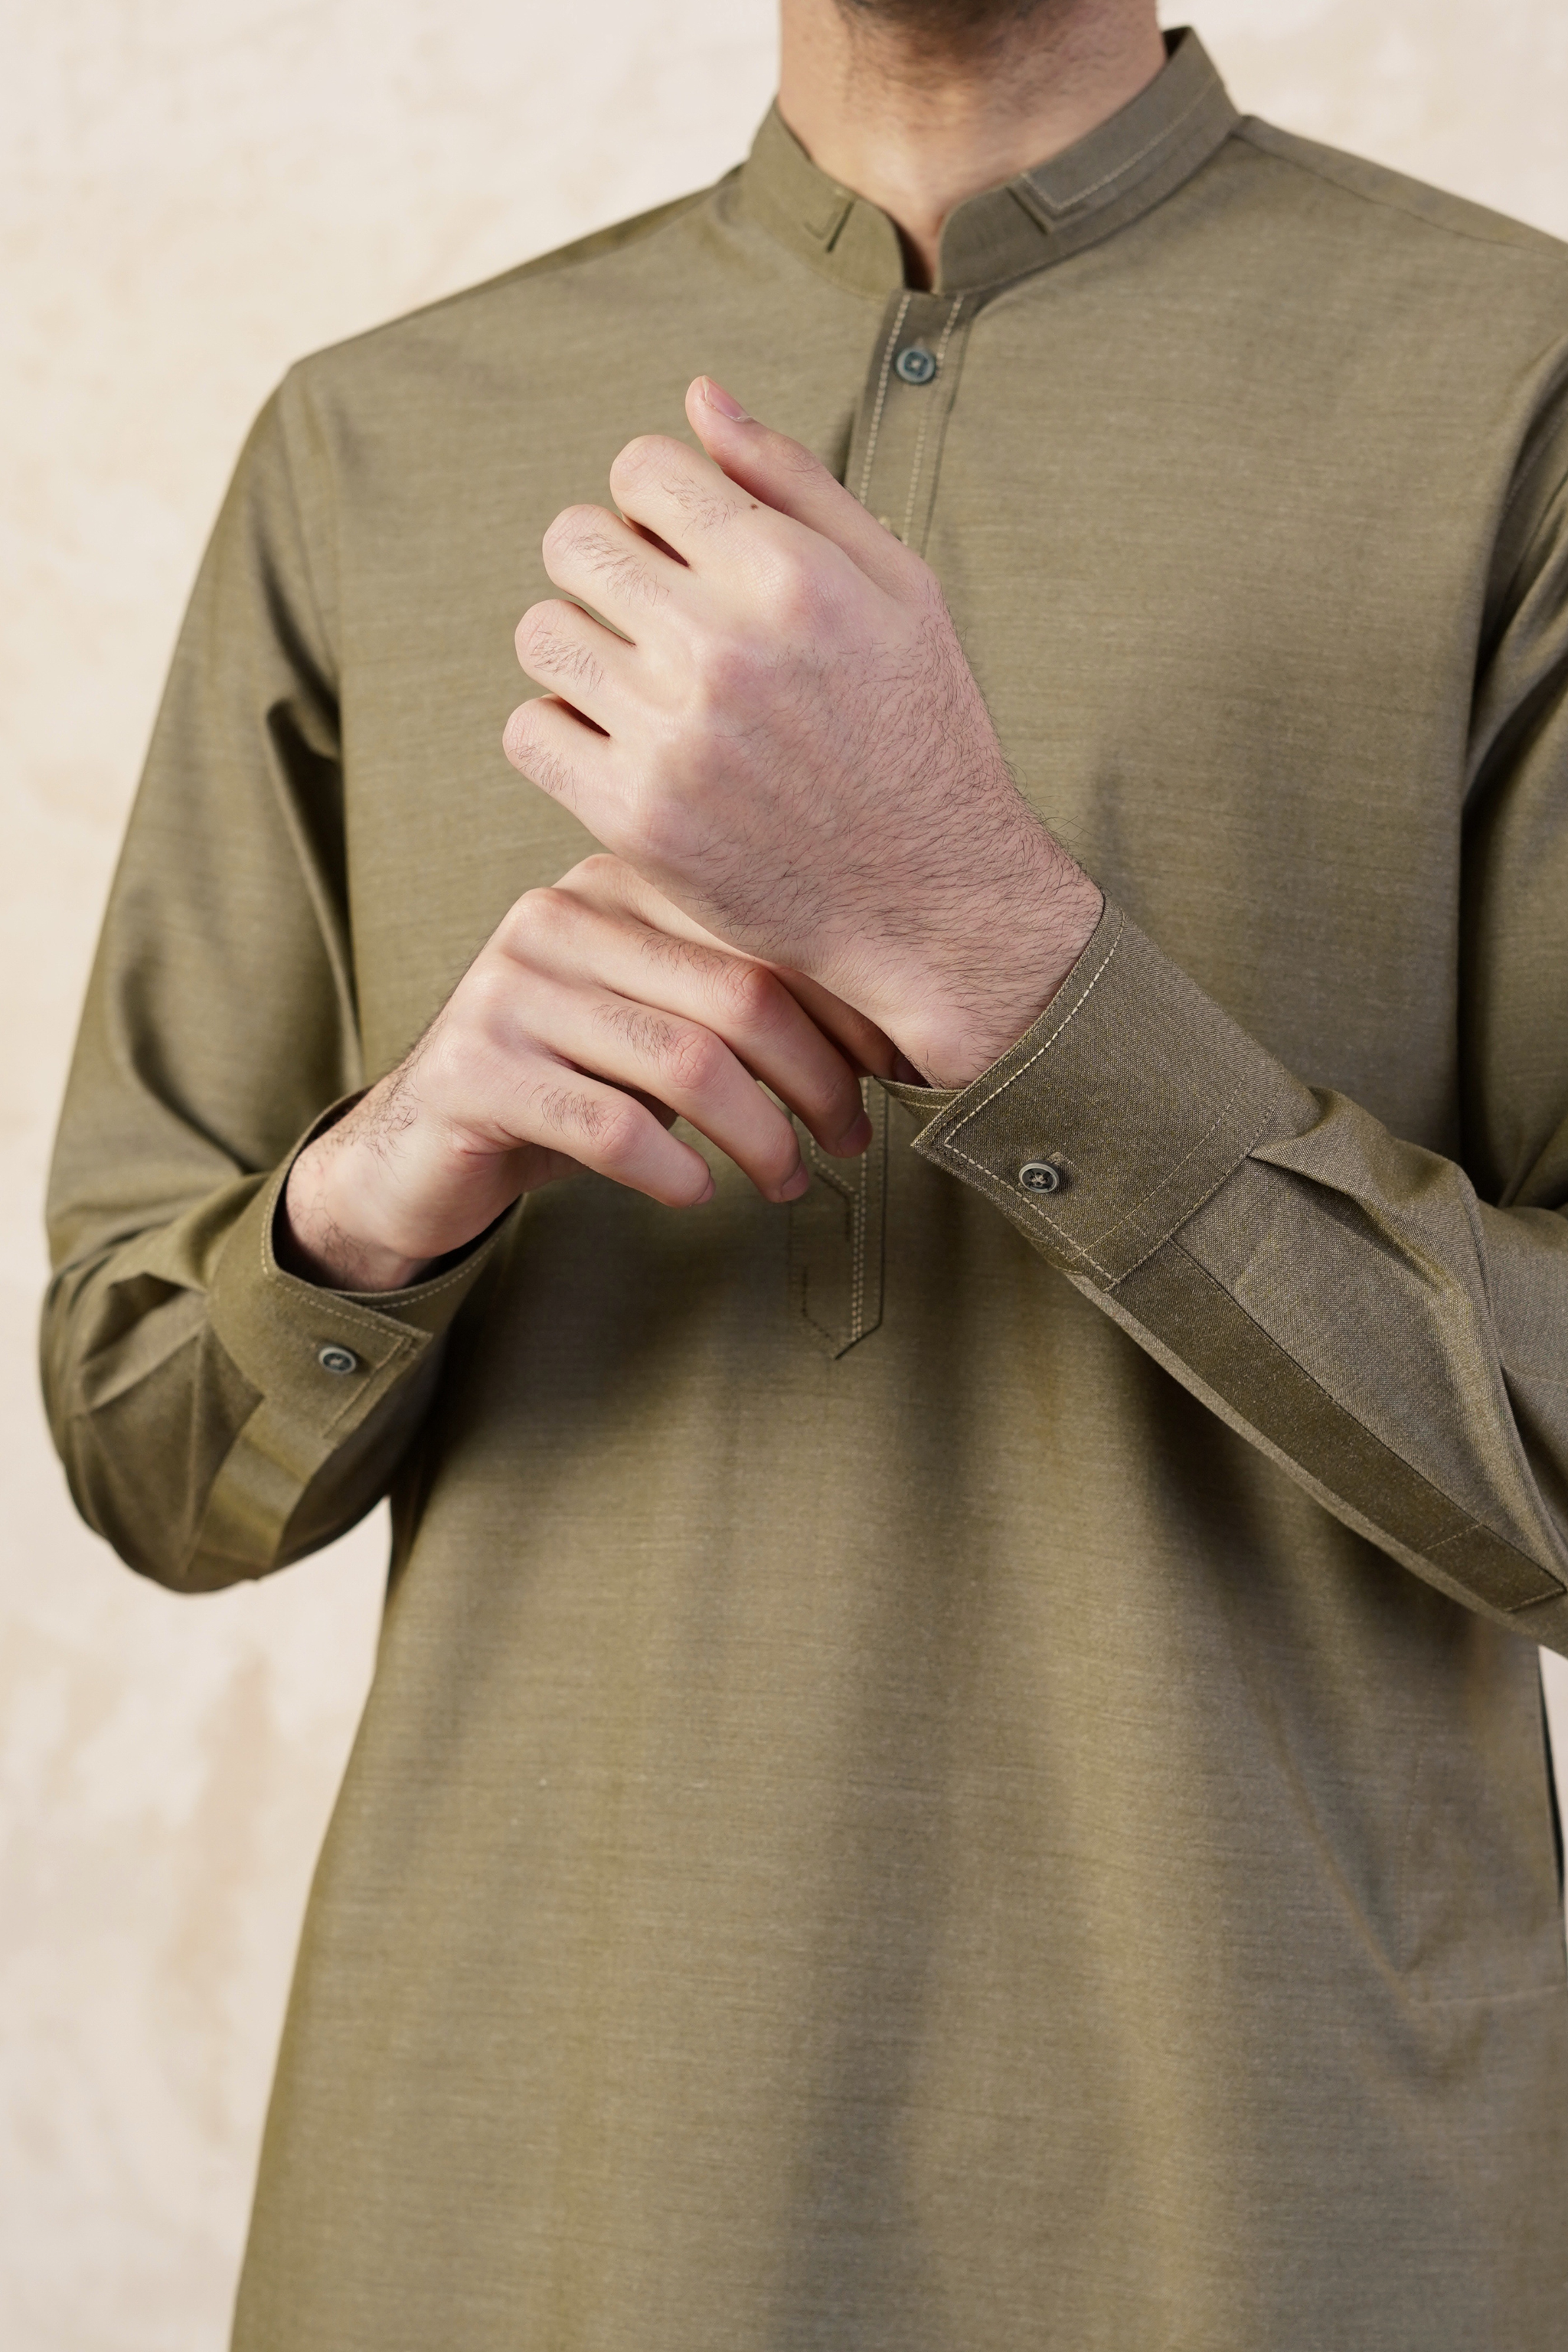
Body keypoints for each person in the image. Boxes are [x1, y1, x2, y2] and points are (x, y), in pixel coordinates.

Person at [41, 0, 1568, 2342]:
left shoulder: (1520, 392)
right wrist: (387, 1176)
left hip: (1278, 2206)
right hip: (506, 2204)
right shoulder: (370, 443)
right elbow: (152, 1442)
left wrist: (984, 941)